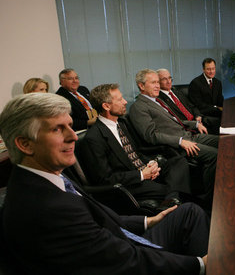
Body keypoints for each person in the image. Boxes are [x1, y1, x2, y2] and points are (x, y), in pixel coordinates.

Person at [0, 93, 209, 274]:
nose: (73, 136)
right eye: (57, 129)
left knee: (190, 212)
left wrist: (148, 221)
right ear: (25, 144)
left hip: (123, 241)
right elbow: (124, 262)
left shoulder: (48, 176)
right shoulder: (47, 208)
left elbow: (101, 219)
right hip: (127, 258)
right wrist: (197, 264)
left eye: (70, 126)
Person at [82, 83, 190, 206]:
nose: (125, 102)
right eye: (120, 99)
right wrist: (141, 175)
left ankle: (171, 198)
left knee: (178, 161)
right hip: (130, 183)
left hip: (142, 169)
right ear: (106, 106)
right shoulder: (93, 138)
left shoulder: (121, 124)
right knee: (171, 187)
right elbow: (105, 179)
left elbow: (135, 153)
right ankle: (173, 198)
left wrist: (151, 163)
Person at [129, 69, 218, 205]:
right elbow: (151, 135)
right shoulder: (138, 107)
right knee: (216, 155)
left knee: (225, 142)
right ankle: (208, 198)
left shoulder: (157, 101)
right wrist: (180, 141)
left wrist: (195, 124)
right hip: (178, 145)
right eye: (153, 83)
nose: (158, 86)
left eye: (158, 82)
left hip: (188, 135)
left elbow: (174, 121)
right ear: (141, 86)